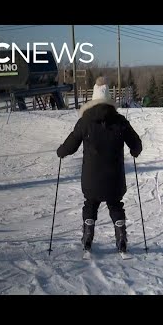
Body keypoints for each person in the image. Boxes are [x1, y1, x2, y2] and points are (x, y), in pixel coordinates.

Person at [56, 76, 143, 253]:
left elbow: (71, 144)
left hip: (91, 177)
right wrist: (134, 151)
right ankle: (121, 237)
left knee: (91, 203)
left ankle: (88, 236)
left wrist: (61, 151)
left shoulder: (85, 122)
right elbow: (136, 144)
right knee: (115, 204)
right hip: (114, 177)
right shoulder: (119, 120)